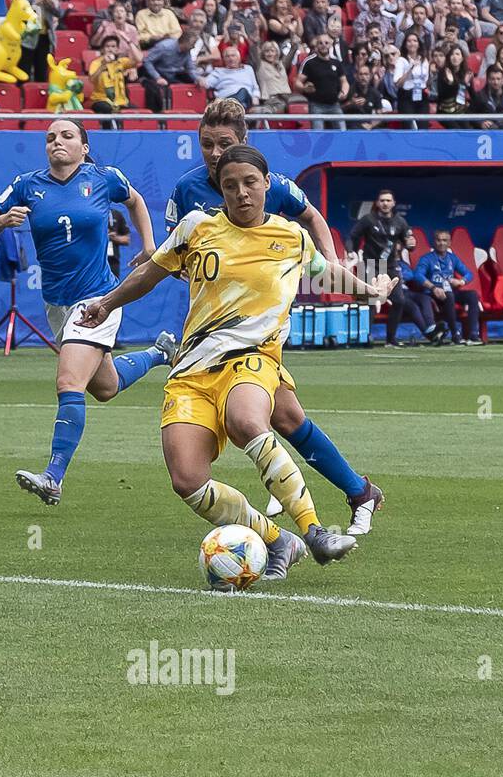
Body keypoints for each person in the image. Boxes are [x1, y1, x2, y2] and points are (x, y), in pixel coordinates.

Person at [77, 145, 390, 578]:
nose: (241, 193)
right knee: (187, 480)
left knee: (248, 420)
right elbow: (151, 271)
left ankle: (315, 530)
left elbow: (327, 274)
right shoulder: (196, 227)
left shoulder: (290, 237)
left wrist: (372, 291)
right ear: (220, 191)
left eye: (249, 183)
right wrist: (107, 304)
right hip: (191, 371)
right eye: (230, 186)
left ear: (266, 184)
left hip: (254, 358)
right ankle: (279, 540)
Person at [163, 100, 384, 533]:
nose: (212, 152)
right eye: (205, 143)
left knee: (261, 418)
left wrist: (328, 265)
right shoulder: (187, 190)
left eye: (222, 143)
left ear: (243, 143)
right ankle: (359, 493)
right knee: (287, 417)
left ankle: (307, 523)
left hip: (260, 323)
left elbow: (311, 217)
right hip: (214, 326)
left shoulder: (270, 184)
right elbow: (179, 252)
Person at [0, 120, 173, 507]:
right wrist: (1, 221)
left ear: (85, 147)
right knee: (104, 387)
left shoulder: (104, 178)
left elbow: (134, 200)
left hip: (99, 296)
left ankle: (53, 476)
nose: (57, 142)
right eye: (50, 137)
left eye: (67, 136)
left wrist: (149, 244)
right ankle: (160, 353)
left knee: (69, 380)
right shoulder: (26, 185)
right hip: (56, 302)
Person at [417, 229, 482, 345]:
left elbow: (469, 274)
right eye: (438, 240)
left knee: (472, 295)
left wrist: (461, 281)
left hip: (449, 291)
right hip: (433, 294)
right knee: (450, 295)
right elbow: (417, 275)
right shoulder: (427, 258)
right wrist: (433, 288)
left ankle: (473, 335)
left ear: (449, 243)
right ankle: (455, 335)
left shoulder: (452, 258)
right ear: (434, 242)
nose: (441, 243)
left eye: (444, 240)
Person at [348, 189, 413, 274]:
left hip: (390, 265)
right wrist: (351, 251)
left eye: (388, 200)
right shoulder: (368, 219)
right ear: (377, 203)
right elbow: (352, 237)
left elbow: (408, 244)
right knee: (368, 286)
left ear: (393, 203)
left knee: (396, 285)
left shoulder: (400, 221)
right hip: (370, 263)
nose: (385, 203)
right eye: (382, 200)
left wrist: (410, 244)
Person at [297, 33, 347, 128]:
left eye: (326, 43)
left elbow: (344, 81)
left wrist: (344, 91)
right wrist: (304, 88)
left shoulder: (336, 62)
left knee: (343, 134)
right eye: (320, 43)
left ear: (330, 45)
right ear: (316, 45)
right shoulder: (309, 62)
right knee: (317, 135)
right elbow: (298, 82)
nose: (323, 45)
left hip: (334, 105)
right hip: (317, 106)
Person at [141, 30, 198, 112]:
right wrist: (157, 77)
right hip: (156, 75)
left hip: (172, 75)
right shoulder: (164, 47)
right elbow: (147, 61)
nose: (194, 47)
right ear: (185, 42)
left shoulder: (187, 52)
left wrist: (197, 79)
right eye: (193, 44)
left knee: (189, 86)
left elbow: (190, 68)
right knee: (154, 91)